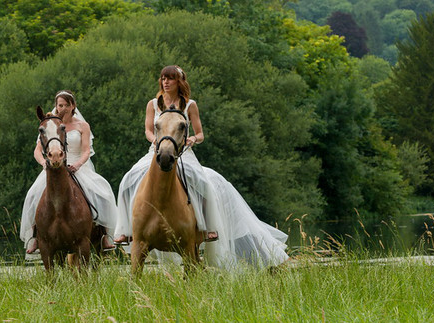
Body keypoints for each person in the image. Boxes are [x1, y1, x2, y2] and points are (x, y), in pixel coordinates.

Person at [115, 66, 288, 269]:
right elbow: (147, 129)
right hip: (158, 151)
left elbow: (200, 133)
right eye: (163, 79)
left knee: (202, 180)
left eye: (170, 79)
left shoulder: (189, 105)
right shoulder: (153, 104)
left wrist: (191, 140)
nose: (165, 82)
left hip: (183, 153)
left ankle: (208, 227)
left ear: (179, 82)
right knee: (128, 178)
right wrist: (156, 142)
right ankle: (126, 229)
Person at [20, 90, 118, 254]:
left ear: (73, 106)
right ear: (56, 106)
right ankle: (34, 237)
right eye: (60, 105)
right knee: (32, 195)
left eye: (66, 105)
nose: (63, 108)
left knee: (104, 191)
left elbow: (86, 150)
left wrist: (78, 164)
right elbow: (37, 151)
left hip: (77, 166)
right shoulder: (51, 125)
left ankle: (106, 235)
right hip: (53, 167)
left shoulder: (82, 126)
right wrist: (44, 163)